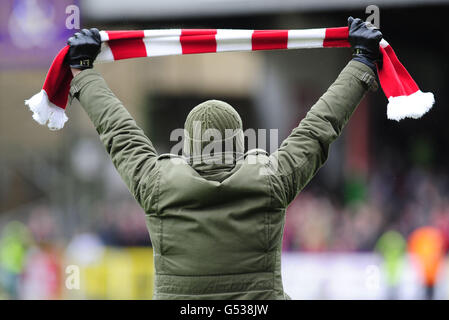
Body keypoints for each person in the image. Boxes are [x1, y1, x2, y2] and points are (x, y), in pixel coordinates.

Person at [66, 17, 382, 299]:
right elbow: (319, 128)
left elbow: (119, 133)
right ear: (239, 141)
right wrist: (362, 62)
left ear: (187, 144)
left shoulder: (157, 184)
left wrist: (83, 70)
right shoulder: (271, 181)